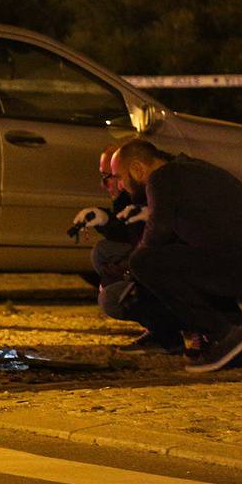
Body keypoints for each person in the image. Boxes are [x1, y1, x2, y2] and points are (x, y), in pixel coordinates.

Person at [112, 138, 242, 372]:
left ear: (137, 169)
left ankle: (225, 335)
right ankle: (237, 332)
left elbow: (156, 234)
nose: (119, 186)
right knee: (185, 262)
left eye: (119, 177)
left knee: (145, 262)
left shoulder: (163, 177)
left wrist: (132, 272)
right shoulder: (188, 170)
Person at [72, 142, 175, 352]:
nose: (109, 184)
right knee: (103, 253)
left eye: (110, 176)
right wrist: (105, 220)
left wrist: (123, 272)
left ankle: (172, 333)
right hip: (157, 259)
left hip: (174, 266)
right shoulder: (132, 192)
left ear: (134, 169)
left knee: (111, 297)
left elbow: (152, 245)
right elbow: (130, 234)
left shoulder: (157, 188)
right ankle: (160, 328)